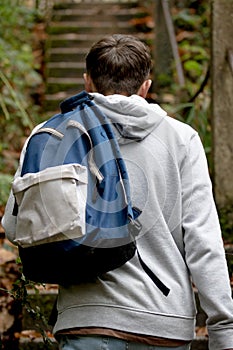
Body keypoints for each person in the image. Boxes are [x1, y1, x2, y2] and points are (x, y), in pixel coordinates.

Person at [2, 34, 233, 350]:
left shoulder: (51, 135)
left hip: (85, 323)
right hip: (163, 325)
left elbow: (14, 228)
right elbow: (202, 242)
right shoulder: (182, 139)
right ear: (145, 87)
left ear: (87, 83)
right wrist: (224, 329)